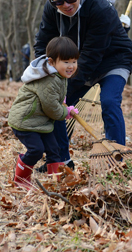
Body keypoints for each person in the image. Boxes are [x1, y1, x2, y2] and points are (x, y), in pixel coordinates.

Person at [34, 0, 132, 170]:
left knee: (109, 101)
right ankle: (61, 160)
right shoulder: (51, 10)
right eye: (59, 2)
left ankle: (118, 159)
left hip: (113, 58)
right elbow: (43, 44)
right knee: (54, 106)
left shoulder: (100, 8)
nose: (67, 5)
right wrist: (44, 76)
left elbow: (91, 57)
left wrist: (64, 88)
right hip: (77, 61)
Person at [9, 37, 79, 187]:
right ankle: (21, 179)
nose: (71, 66)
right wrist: (65, 112)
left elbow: (56, 100)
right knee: (36, 150)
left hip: (40, 121)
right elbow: (51, 108)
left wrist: (65, 107)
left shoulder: (60, 76)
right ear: (52, 62)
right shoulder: (50, 79)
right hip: (25, 121)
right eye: (66, 62)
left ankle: (57, 182)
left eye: (74, 61)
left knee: (55, 150)